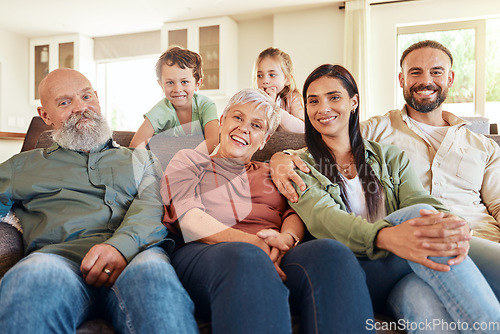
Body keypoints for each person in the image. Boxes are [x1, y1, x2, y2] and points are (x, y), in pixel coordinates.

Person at [281, 64, 500, 331]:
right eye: (313, 101)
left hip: (402, 274)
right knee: (413, 219)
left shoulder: (389, 157)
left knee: (423, 301)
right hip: (352, 271)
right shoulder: (299, 166)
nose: (322, 108)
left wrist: (452, 223)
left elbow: (420, 200)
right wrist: (386, 236)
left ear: (354, 102)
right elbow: (325, 219)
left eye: (334, 97)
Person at [0, 68, 198, 333]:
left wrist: (120, 247)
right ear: (45, 115)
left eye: (86, 96)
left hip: (136, 258)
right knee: (30, 277)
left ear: (98, 98)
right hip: (59, 262)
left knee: (154, 277)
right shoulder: (21, 166)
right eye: (65, 102)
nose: (81, 108)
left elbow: (153, 206)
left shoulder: (141, 158)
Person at [162, 88, 374, 333]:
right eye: (238, 118)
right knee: (247, 258)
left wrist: (286, 239)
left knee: (332, 252)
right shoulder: (189, 161)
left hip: (273, 254)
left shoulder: (270, 171)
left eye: (256, 125)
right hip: (205, 254)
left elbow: (293, 212)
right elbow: (189, 221)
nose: (244, 128)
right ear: (222, 122)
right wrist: (255, 244)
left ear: (265, 139)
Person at [273, 40, 500, 243]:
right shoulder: (379, 129)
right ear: (401, 79)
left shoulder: (485, 146)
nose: (426, 81)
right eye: (416, 72)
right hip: (410, 237)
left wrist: (458, 229)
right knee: (418, 216)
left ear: (450, 78)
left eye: (436, 72)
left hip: (479, 237)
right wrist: (280, 157)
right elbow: (330, 141)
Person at [130, 46, 219, 154]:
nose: (177, 89)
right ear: (161, 85)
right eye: (170, 82)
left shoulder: (206, 106)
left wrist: (186, 159)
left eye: (184, 82)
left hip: (199, 164)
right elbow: (135, 145)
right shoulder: (160, 110)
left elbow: (213, 141)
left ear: (197, 84)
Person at [254, 47, 305, 133]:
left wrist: (274, 108)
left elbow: (303, 128)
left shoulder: (293, 97)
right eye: (260, 76)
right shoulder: (255, 100)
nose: (265, 81)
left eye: (272, 75)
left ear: (287, 79)